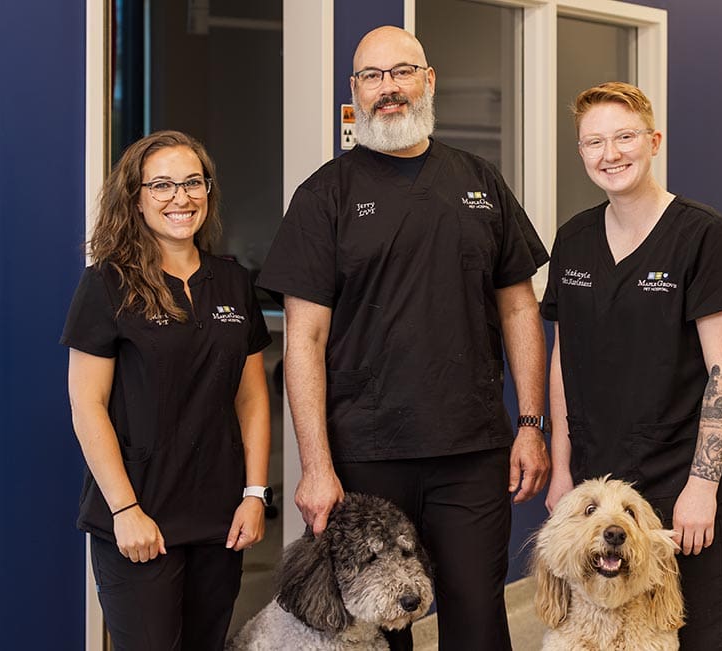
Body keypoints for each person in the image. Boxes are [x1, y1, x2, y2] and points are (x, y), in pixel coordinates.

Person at [257, 25, 550, 651]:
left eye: (401, 72)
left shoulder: (481, 182)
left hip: (471, 451)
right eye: (372, 76)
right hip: (365, 455)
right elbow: (303, 340)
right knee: (378, 628)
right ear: (355, 92)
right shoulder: (324, 196)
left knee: (476, 611)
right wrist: (314, 466)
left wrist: (530, 422)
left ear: (428, 80)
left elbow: (520, 308)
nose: (388, 88)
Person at [542, 81, 722, 649]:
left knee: (709, 635)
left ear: (654, 140)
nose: (610, 154)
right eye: (594, 142)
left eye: (624, 137)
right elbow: (565, 358)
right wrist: (563, 472)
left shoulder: (704, 237)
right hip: (606, 487)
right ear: (581, 151)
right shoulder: (574, 239)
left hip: (689, 487)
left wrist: (702, 488)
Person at [61, 130, 272, 650]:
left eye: (192, 183)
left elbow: (251, 399)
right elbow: (86, 406)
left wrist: (254, 494)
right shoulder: (107, 284)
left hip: (220, 515)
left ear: (208, 191)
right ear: (135, 197)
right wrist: (124, 510)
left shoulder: (232, 282)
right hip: (140, 515)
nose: (181, 197)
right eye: (162, 185)